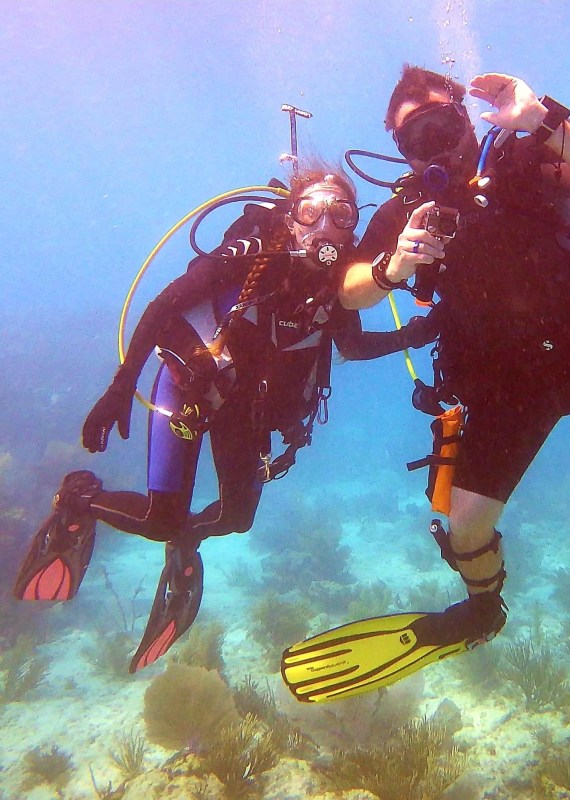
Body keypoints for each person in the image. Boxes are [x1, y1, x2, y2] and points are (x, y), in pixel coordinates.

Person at [280, 67, 570, 738]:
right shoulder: (405, 209)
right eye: (416, 135)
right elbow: (351, 289)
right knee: (465, 529)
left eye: (443, 123)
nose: (434, 143)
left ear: (467, 119)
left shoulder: (527, 152)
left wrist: (544, 119)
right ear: (399, 144)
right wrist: (394, 264)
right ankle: (482, 609)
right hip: (502, 384)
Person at [14, 164, 434, 672]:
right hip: (190, 389)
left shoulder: (337, 285)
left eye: (340, 214)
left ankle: (184, 543)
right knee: (160, 517)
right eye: (311, 210)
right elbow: (169, 301)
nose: (324, 225)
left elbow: (353, 344)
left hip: (244, 405)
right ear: (291, 216)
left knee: (236, 518)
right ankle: (77, 499)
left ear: (353, 226)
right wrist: (122, 383)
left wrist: (411, 336)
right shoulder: (252, 251)